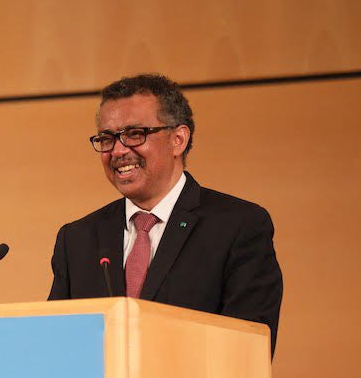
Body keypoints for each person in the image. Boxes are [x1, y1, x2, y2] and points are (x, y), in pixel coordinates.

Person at [48, 73, 283, 354]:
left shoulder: (238, 227)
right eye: (107, 138)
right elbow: (55, 346)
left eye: (135, 134)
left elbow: (247, 351)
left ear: (178, 140)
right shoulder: (77, 240)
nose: (118, 151)